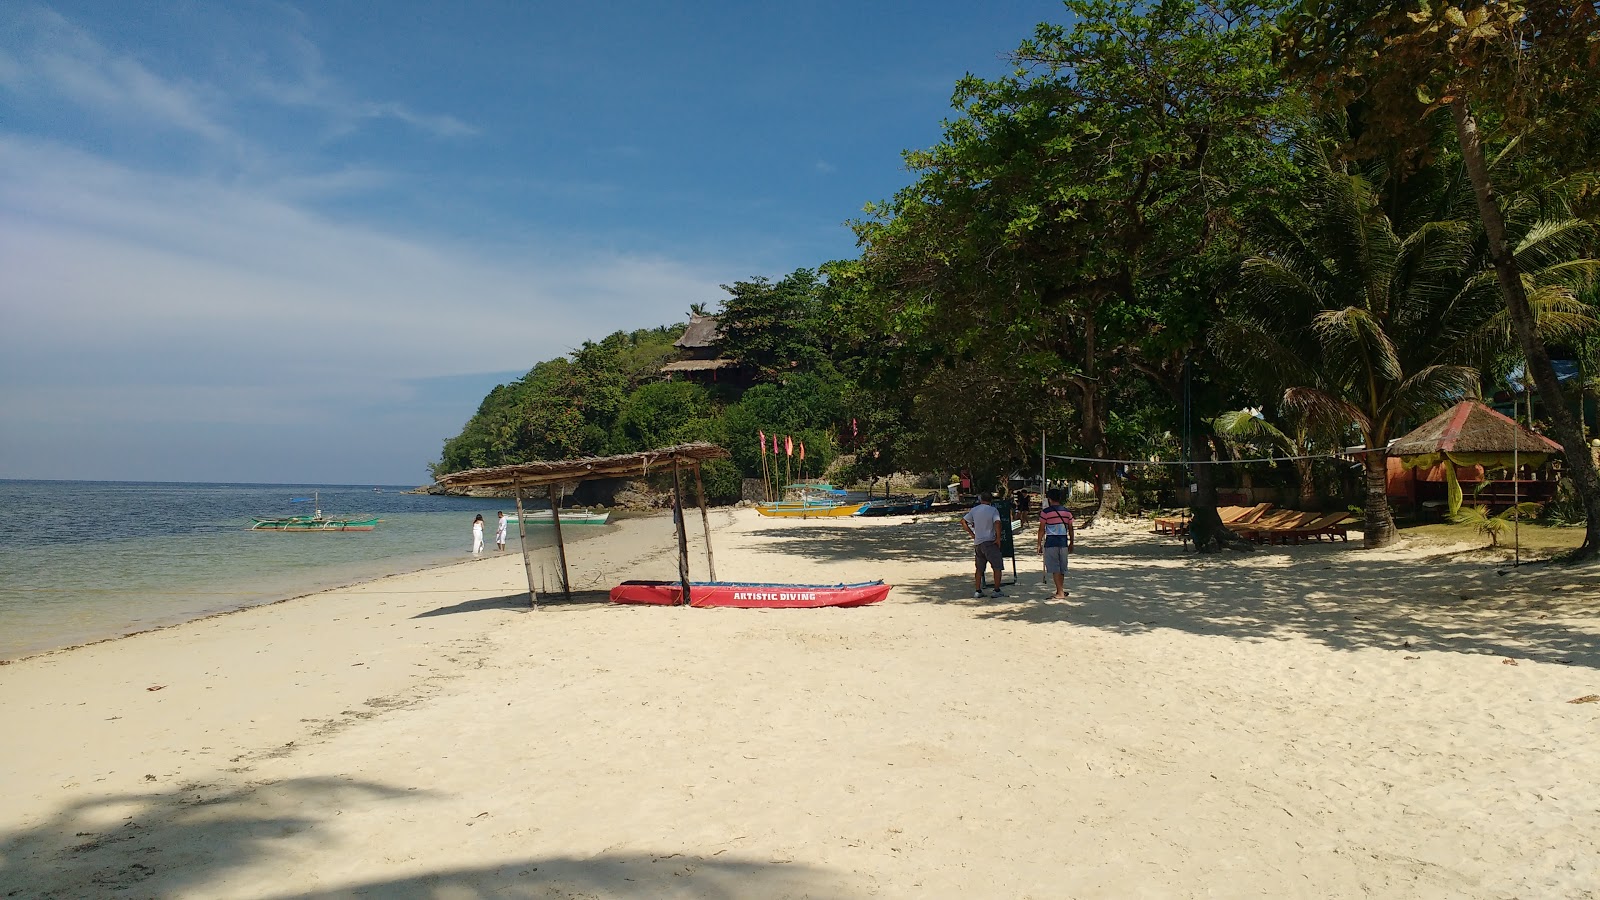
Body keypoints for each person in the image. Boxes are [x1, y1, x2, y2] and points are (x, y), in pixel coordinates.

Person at [961, 492, 1006, 598]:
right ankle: (996, 590)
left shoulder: (974, 510)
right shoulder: (993, 510)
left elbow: (963, 521)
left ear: (980, 499)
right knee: (997, 566)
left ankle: (978, 590)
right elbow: (997, 523)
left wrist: (972, 534)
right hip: (989, 541)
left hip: (978, 542)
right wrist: (998, 538)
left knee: (979, 568)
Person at [1035, 489, 1076, 599]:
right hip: (1063, 542)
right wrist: (1072, 542)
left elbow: (1041, 529)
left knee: (1054, 568)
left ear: (1050, 499)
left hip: (1051, 542)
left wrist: (1038, 544)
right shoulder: (1067, 512)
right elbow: (1071, 529)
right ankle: (1060, 589)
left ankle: (1060, 593)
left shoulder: (1046, 512)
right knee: (1062, 568)